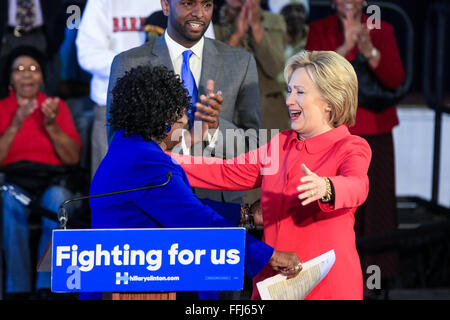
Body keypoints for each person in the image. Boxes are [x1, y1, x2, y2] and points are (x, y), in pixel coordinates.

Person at [170, 50, 372, 300]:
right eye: (289, 90)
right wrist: (166, 161)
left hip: (327, 287)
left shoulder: (351, 146)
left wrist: (327, 187)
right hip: (275, 285)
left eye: (300, 92)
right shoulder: (281, 143)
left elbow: (357, 185)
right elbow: (227, 171)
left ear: (330, 100)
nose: (289, 100)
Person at [88, 65, 301, 300]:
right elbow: (195, 218)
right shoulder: (146, 161)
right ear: (162, 120)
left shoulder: (126, 149)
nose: (185, 125)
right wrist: (268, 255)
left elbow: (176, 207)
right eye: (180, 118)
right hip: (138, 289)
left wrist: (246, 215)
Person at [106, 0, 263, 207]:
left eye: (207, 5)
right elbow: (119, 144)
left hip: (220, 202)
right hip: (155, 197)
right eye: (188, 4)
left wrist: (216, 127)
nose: (199, 13)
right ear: (165, 5)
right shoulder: (129, 62)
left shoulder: (240, 62)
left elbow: (254, 147)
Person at [305, 0, 404, 292]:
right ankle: (332, 279)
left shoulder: (382, 29)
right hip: (333, 133)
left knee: (376, 210)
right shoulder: (319, 30)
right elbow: (313, 79)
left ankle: (374, 283)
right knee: (337, 207)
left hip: (375, 133)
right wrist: (346, 46)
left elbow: (396, 79)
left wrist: (369, 51)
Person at [0, 45, 81, 298]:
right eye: (20, 69)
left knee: (58, 201)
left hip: (52, 180)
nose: (27, 75)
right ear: (10, 78)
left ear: (43, 77)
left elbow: (72, 159)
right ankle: (18, 289)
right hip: (13, 181)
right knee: (9, 203)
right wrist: (16, 123)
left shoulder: (56, 107)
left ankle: (47, 287)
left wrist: (52, 126)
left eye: (33, 69)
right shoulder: (2, 108)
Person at [75, 0, 164, 179]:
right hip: (112, 106)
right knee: (108, 185)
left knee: (157, 184)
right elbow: (87, 53)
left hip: (162, 107)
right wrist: (138, 68)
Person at [0, 0, 67, 98]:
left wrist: (54, 39)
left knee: (46, 87)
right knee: (4, 84)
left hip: (41, 35)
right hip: (7, 37)